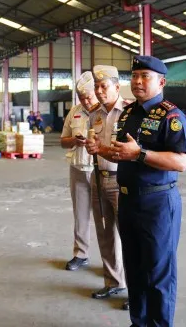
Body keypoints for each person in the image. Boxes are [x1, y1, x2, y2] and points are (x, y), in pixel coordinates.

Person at [111, 56, 186, 326]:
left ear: (161, 81)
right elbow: (125, 152)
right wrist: (103, 150)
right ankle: (139, 322)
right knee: (134, 269)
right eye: (134, 76)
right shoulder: (128, 113)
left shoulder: (172, 116)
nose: (137, 81)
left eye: (145, 76)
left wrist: (140, 154)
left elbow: (181, 162)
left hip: (157, 202)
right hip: (128, 200)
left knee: (158, 273)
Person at [84, 65, 128, 304]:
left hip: (121, 180)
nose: (100, 91)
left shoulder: (130, 111)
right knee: (105, 233)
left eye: (104, 86)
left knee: (128, 235)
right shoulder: (95, 113)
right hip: (98, 176)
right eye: (97, 87)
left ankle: (137, 290)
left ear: (117, 87)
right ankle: (113, 282)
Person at [60, 71, 100, 272]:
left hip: (102, 171)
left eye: (89, 96)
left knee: (108, 219)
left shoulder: (106, 112)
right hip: (78, 169)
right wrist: (74, 141)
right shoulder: (74, 112)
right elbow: (62, 141)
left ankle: (114, 261)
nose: (85, 101)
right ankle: (81, 254)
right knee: (81, 215)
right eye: (82, 97)